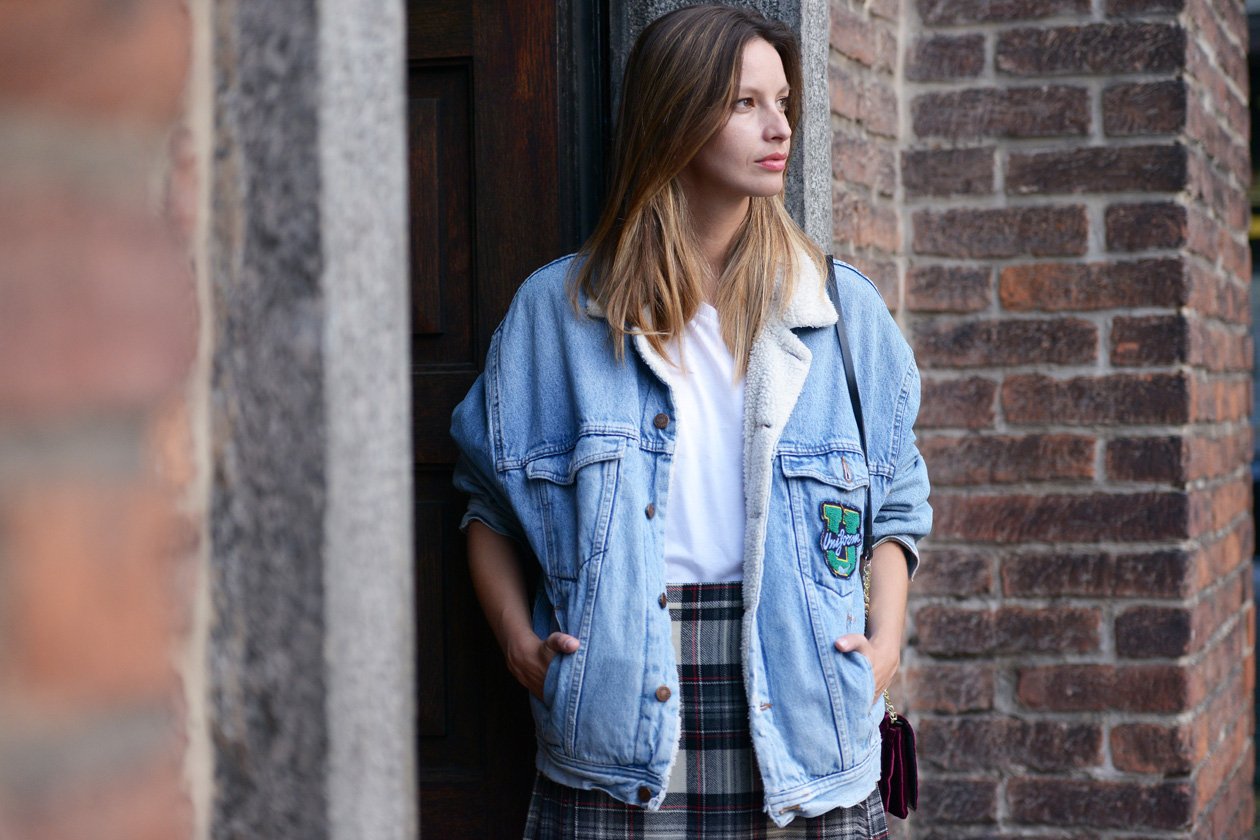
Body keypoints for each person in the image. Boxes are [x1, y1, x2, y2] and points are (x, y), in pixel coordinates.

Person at [449, 5, 931, 838]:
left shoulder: (840, 312)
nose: (779, 127)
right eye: (745, 103)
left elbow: (896, 505)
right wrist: (516, 642)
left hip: (809, 719)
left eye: (782, 102)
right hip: (613, 731)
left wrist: (885, 642)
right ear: (673, 116)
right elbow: (486, 498)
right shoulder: (556, 316)